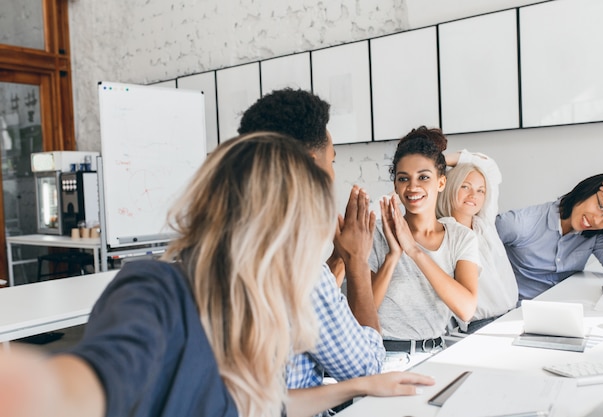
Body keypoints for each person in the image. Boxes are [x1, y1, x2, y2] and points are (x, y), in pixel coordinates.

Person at [0, 133, 435, 417]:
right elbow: (75, 388)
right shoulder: (157, 290)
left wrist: (361, 386)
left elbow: (261, 406)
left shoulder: (251, 299)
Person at [238, 88, 384, 392]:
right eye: (331, 161)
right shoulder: (298, 270)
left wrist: (338, 259)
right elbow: (367, 369)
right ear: (308, 162)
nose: (332, 174)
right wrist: (357, 261)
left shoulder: (221, 250)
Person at [369, 126, 480, 353]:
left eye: (424, 177)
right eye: (403, 179)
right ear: (395, 186)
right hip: (382, 354)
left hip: (435, 354)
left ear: (441, 182)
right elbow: (364, 312)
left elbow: (466, 309)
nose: (412, 187)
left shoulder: (461, 238)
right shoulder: (376, 234)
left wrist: (414, 251)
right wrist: (394, 255)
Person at [496, 173, 603, 300]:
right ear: (587, 190)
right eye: (601, 207)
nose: (597, 221)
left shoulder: (596, 235)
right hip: (513, 314)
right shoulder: (517, 224)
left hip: (564, 309)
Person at [436, 150, 518, 333]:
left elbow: (489, 168)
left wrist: (437, 160)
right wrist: (429, 166)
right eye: (465, 187)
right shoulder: (444, 232)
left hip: (514, 315)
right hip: (482, 325)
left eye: (480, 190)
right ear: (450, 187)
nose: (474, 194)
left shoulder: (485, 224)